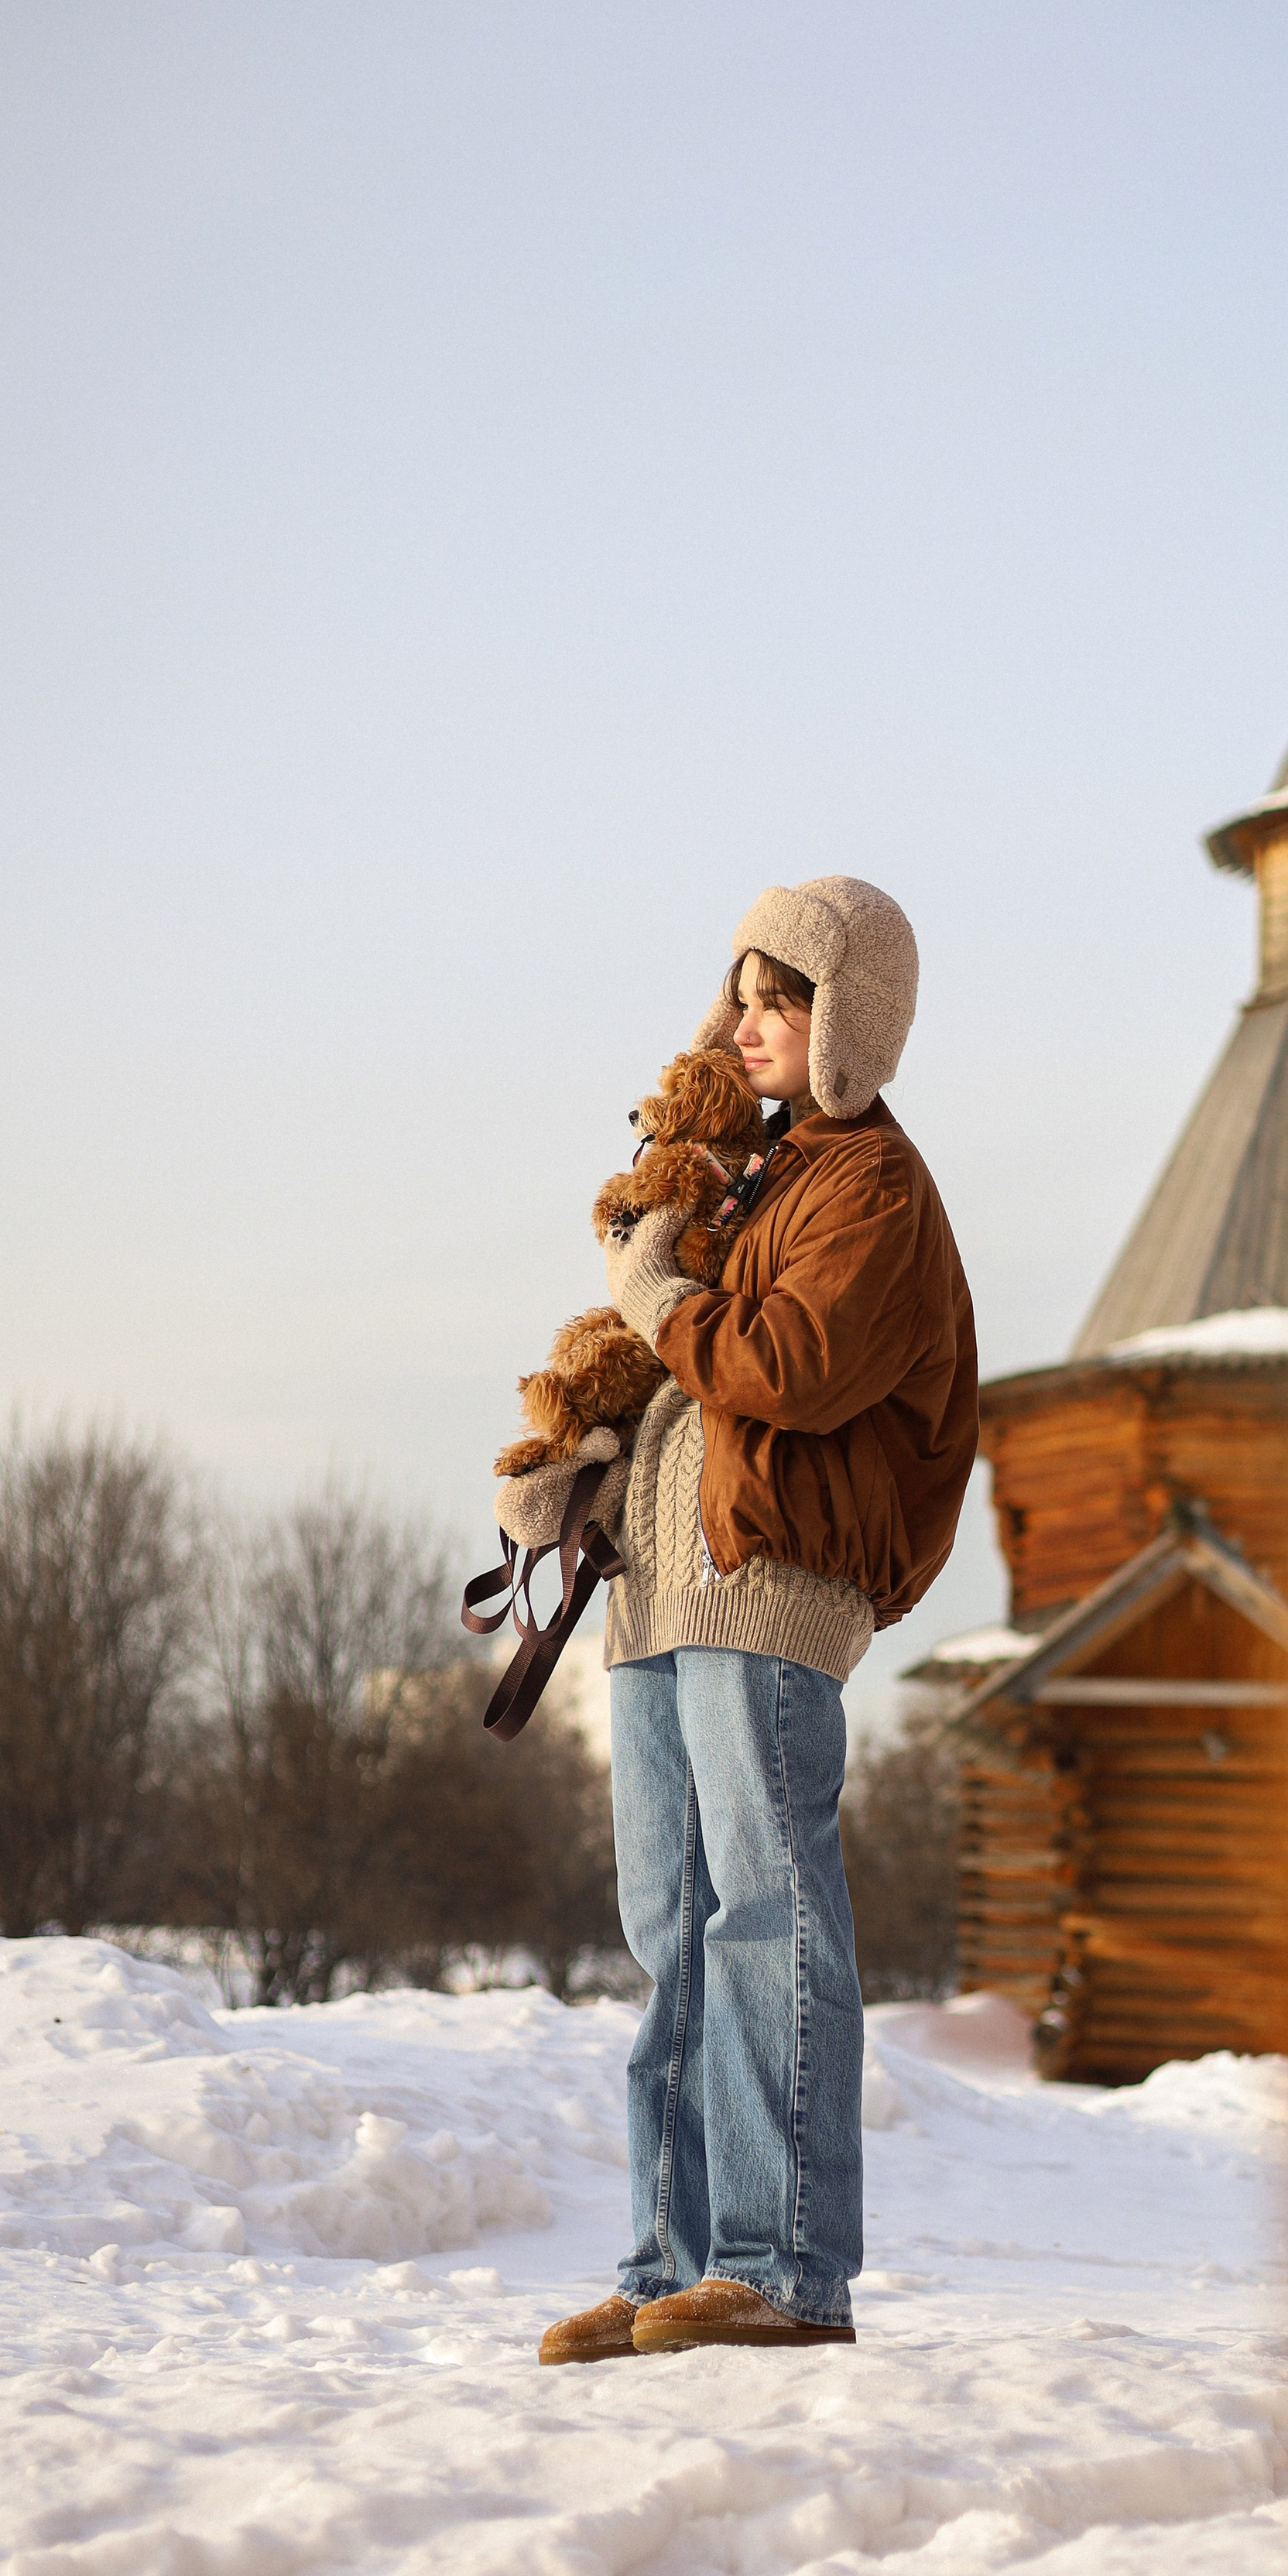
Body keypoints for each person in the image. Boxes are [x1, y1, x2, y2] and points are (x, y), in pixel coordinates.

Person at [539, 875, 977, 2363]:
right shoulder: (752, 1180)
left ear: (845, 1016)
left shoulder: (869, 1186)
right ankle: (673, 2266)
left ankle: (785, 2268)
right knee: (672, 1928)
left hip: (770, 1584)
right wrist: (580, 1470)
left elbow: (782, 1366)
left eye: (776, 996)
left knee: (766, 1913)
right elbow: (679, 1374)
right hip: (660, 1591)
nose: (745, 1022)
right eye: (738, 994)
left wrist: (659, 1292)